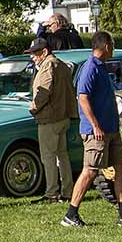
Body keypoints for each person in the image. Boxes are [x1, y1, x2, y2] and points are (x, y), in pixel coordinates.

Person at [62, 31, 122, 228]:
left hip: (110, 129)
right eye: (112, 45)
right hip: (95, 132)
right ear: (106, 47)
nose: (112, 49)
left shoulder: (101, 67)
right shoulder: (90, 68)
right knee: (90, 171)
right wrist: (96, 125)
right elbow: (82, 97)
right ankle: (71, 215)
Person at [27, 35, 76, 202]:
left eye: (35, 53)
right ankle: (68, 191)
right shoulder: (61, 65)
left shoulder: (48, 66)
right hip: (62, 117)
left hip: (49, 119)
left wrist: (33, 108)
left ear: (45, 51)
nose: (32, 56)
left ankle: (51, 193)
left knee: (48, 157)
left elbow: (44, 92)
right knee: (62, 155)